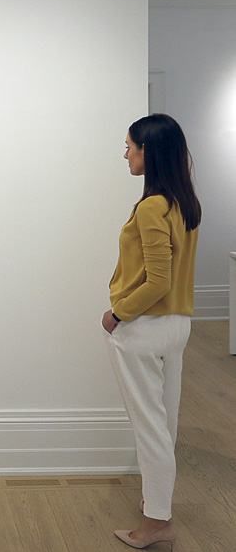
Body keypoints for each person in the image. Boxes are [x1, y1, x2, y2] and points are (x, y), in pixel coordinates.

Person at [102, 113, 201, 551]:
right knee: (166, 423)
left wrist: (118, 313)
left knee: (150, 428)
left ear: (149, 151)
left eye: (129, 146)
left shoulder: (150, 206)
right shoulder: (184, 203)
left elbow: (157, 280)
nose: (125, 153)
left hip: (144, 328)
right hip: (177, 326)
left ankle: (156, 522)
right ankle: (157, 508)